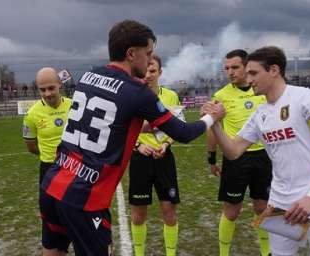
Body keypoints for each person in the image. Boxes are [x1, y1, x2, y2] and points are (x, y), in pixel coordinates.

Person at [39, 20, 224, 256]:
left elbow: (111, 124)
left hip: (53, 184)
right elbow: (184, 134)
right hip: (84, 198)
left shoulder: (88, 76)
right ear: (131, 53)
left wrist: (145, 125)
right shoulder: (139, 94)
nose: (149, 61)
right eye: (147, 54)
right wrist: (212, 117)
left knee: (52, 252)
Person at [206, 46, 310, 255]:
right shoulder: (260, 113)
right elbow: (234, 151)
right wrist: (216, 123)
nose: (248, 78)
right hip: (279, 203)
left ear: (273, 70)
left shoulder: (308, 99)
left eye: (253, 73)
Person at [206, 49, 271, 256]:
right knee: (232, 211)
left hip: (264, 157)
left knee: (263, 208)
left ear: (246, 67)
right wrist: (211, 158)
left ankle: (266, 251)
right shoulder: (221, 96)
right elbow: (211, 128)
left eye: (235, 67)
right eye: (227, 69)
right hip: (235, 158)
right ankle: (224, 253)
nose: (230, 72)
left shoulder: (262, 92)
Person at [129, 54, 184, 256]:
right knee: (138, 215)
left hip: (164, 159)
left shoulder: (170, 96)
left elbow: (179, 128)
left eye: (153, 71)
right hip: (139, 159)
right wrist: (137, 146)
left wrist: (167, 144)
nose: (149, 74)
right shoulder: (132, 97)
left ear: (160, 72)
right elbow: (122, 130)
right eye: (146, 70)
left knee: (169, 212)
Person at [23, 67, 72, 186]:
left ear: (59, 84)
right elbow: (32, 147)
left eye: (51, 88)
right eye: (42, 90)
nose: (47, 94)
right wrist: (48, 154)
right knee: (48, 205)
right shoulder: (31, 114)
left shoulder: (74, 106)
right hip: (48, 168)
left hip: (73, 167)